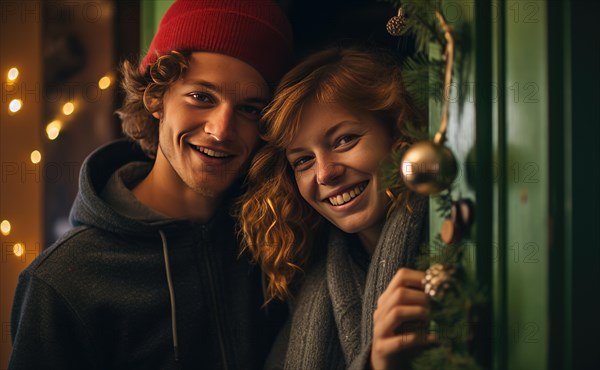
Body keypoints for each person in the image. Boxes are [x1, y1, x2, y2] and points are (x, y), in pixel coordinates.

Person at [9, 1, 293, 369]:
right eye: (201, 97)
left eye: (249, 109)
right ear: (156, 97)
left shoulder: (278, 236)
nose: (221, 130)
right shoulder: (63, 280)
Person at [239, 47, 436, 369]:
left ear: (397, 130)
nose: (325, 173)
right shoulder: (312, 286)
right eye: (303, 160)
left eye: (344, 140)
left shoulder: (451, 240)